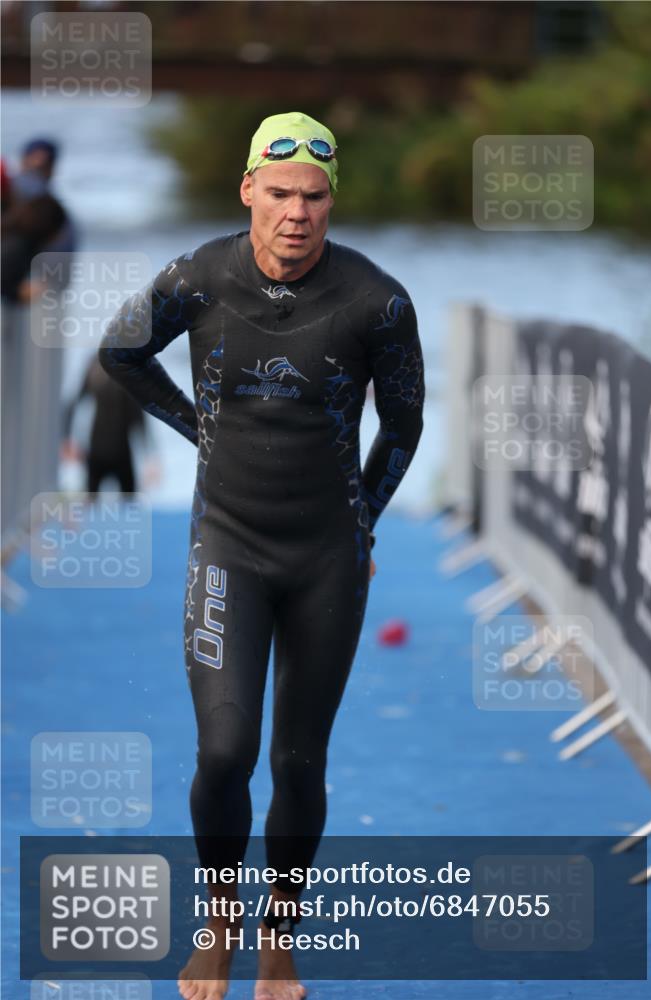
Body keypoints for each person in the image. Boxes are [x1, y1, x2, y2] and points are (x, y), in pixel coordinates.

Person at [99, 111, 425, 1000]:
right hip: (228, 547)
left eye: (313, 197)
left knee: (298, 762)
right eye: (279, 194)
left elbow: (403, 428)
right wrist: (195, 424)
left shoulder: (377, 301)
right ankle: (218, 924)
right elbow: (119, 350)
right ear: (248, 188)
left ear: (331, 200)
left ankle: (276, 941)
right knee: (223, 752)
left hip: (325, 558)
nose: (296, 214)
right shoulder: (197, 277)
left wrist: (363, 526)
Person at [61, 354, 150, 497]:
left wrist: (149, 456)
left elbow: (138, 414)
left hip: (119, 451)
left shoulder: (125, 365)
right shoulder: (97, 364)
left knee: (128, 506)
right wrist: (67, 440)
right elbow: (74, 404)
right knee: (92, 502)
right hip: (99, 450)